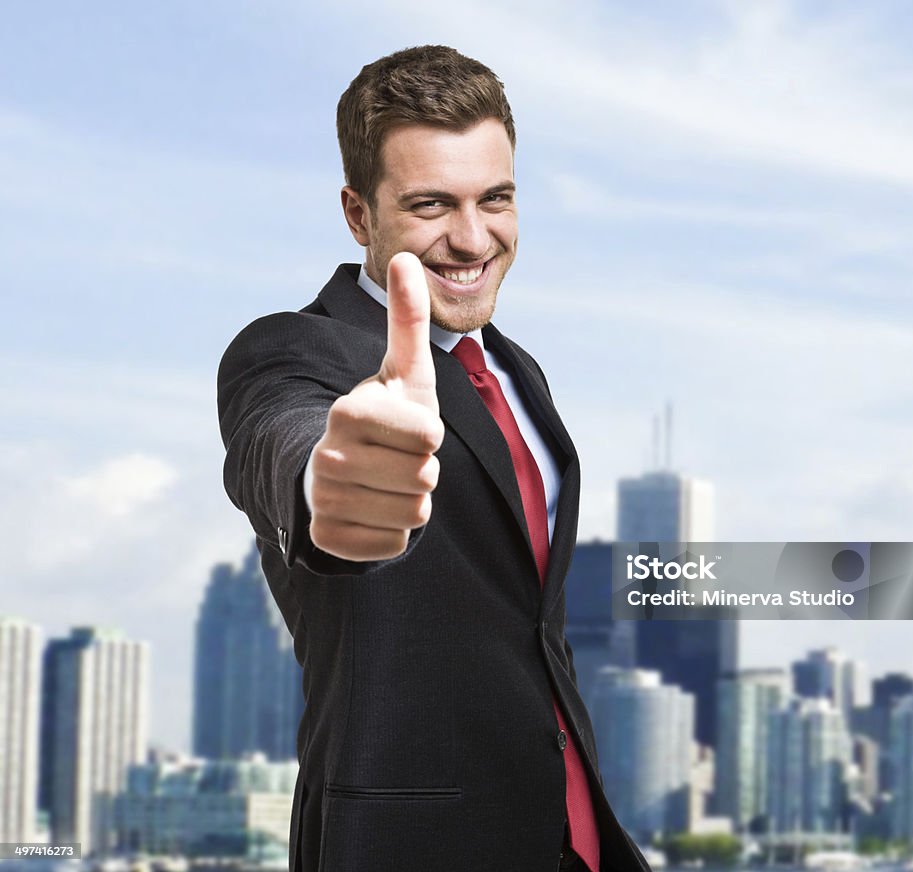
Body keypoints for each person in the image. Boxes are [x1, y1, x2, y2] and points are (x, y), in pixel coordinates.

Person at [218, 45, 651, 872]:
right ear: (358, 214)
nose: (472, 236)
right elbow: (284, 433)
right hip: (408, 845)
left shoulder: (520, 373)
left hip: (574, 836)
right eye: (430, 205)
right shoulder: (292, 350)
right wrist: (329, 484)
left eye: (496, 198)